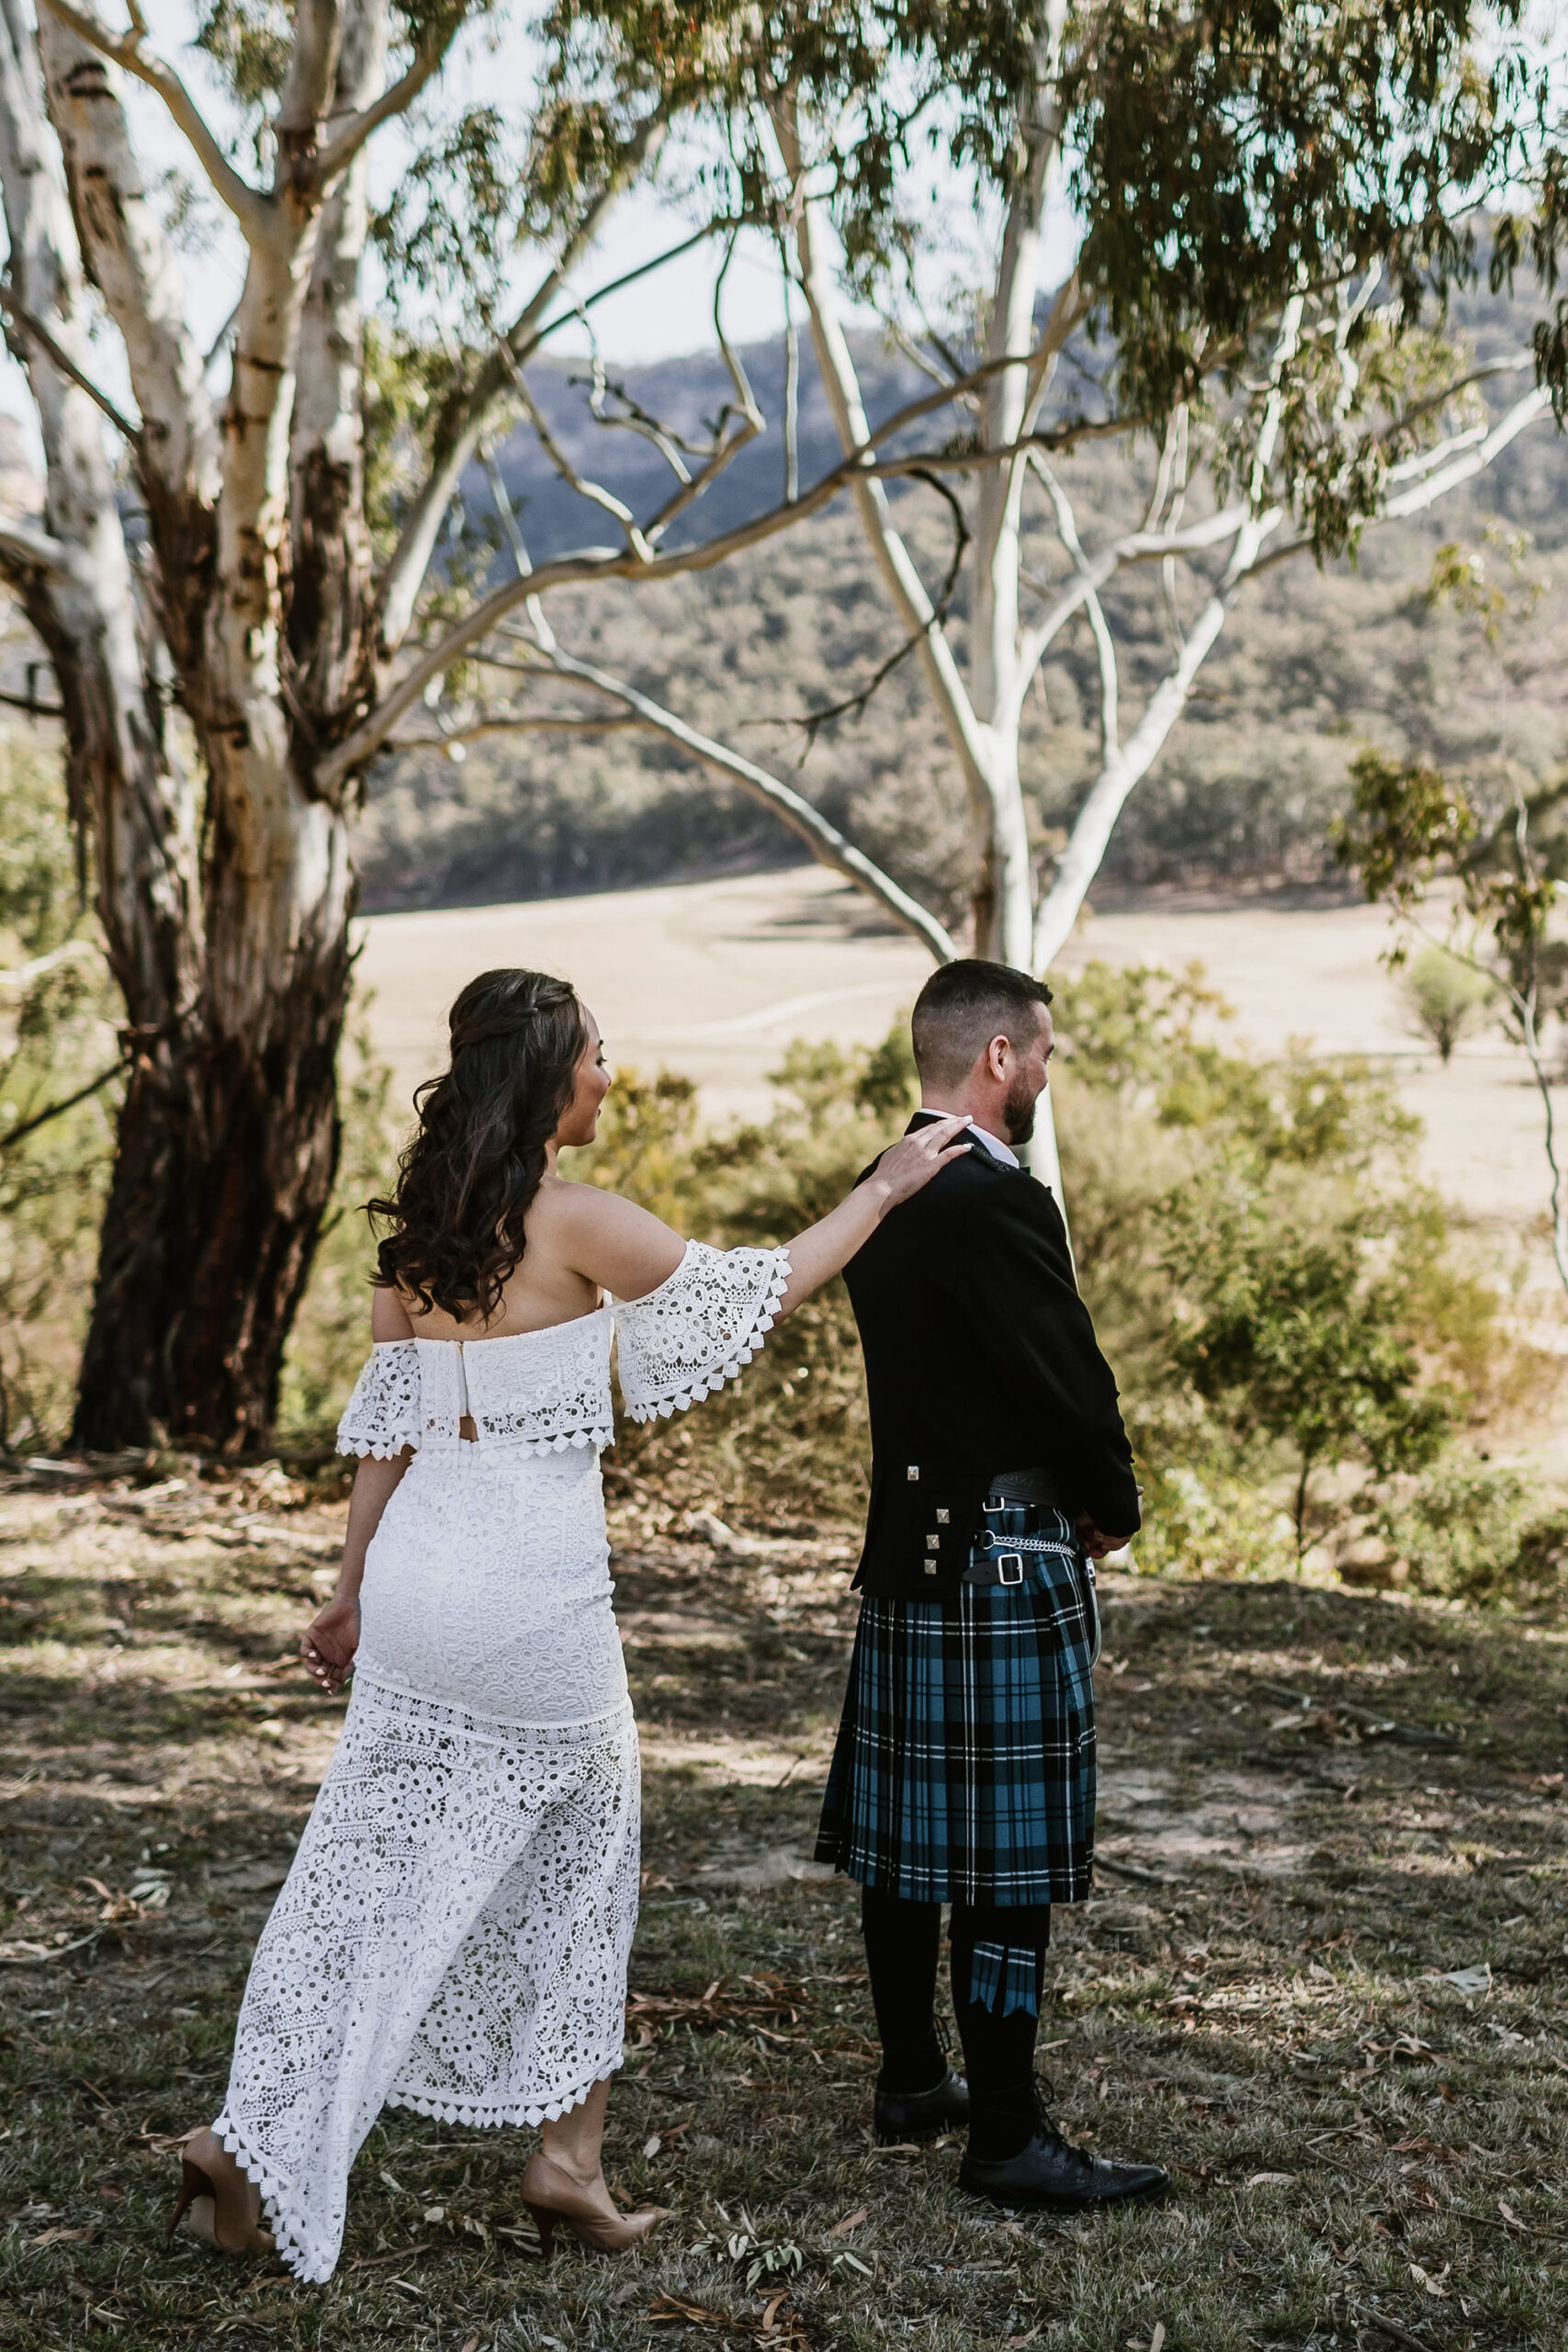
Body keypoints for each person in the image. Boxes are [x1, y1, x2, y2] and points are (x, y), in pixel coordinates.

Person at [164, 967, 968, 2282]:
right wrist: (881, 1191)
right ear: (548, 1079)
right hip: (533, 1598)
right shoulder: (575, 1220)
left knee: (359, 1876)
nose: (611, 1073)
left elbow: (388, 1443)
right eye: (598, 1053)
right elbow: (754, 1290)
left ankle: (244, 2136)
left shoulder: (416, 1239)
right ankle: (564, 2164)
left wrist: (350, 1591)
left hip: (421, 1587)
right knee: (588, 1865)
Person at [813, 958, 1170, 2212]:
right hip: (1002, 1553)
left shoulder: (883, 1185)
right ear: (999, 1059)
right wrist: (1114, 1500)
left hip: (913, 1548)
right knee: (1005, 1861)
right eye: (1046, 1054)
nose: (1049, 1075)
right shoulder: (992, 1198)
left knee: (909, 1844)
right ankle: (1007, 2136)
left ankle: (914, 2079)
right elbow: (1063, 1375)